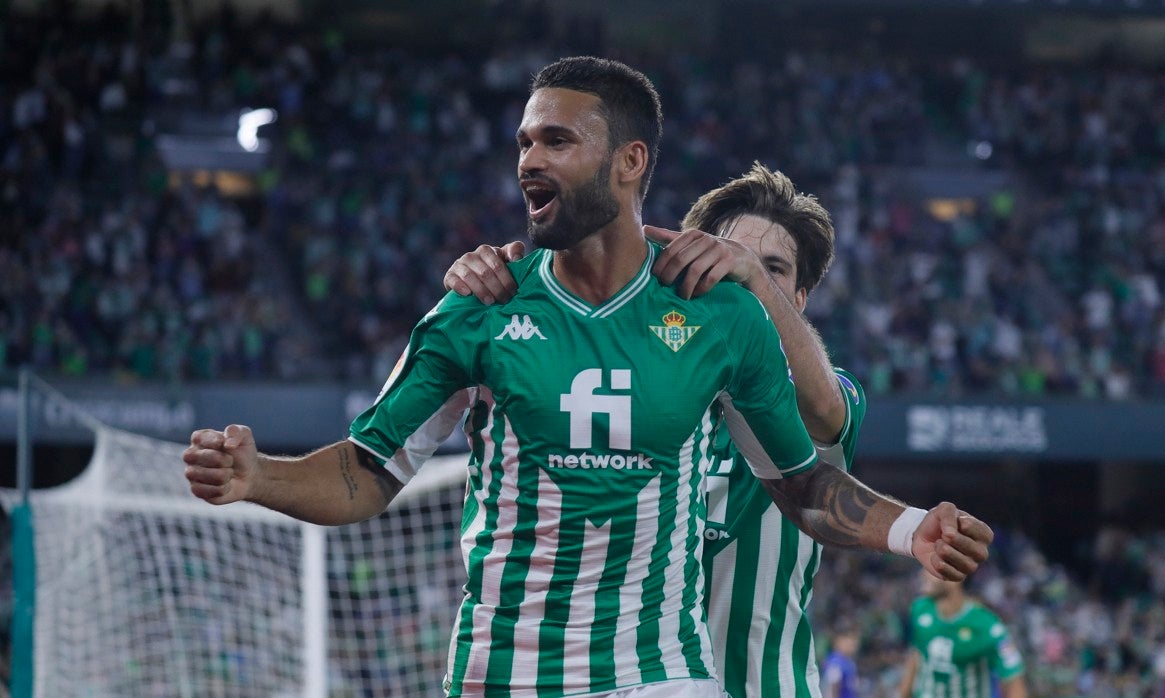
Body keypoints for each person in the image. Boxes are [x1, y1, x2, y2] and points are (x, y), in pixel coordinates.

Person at [184, 56, 992, 698]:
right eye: (525, 144)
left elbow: (805, 487)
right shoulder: (477, 308)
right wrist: (259, 476)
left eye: (557, 142)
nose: (530, 161)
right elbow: (366, 474)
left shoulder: (722, 321)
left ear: (630, 161)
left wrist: (907, 527)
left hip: (659, 673)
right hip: (503, 673)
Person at [444, 162, 867, 698]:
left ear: (799, 300)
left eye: (773, 268)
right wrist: (484, 283)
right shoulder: (637, 399)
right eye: (722, 254)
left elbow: (826, 410)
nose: (736, 271)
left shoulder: (823, 396)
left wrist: (752, 282)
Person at [898, 573, 1026, 698]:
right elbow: (915, 656)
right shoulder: (920, 609)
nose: (923, 575)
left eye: (931, 569)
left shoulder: (988, 627)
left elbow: (1014, 683)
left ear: (954, 578)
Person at [821, 625, 861, 698]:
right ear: (839, 641)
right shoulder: (835, 662)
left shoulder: (849, 662)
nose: (853, 644)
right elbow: (832, 688)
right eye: (850, 640)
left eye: (855, 641)